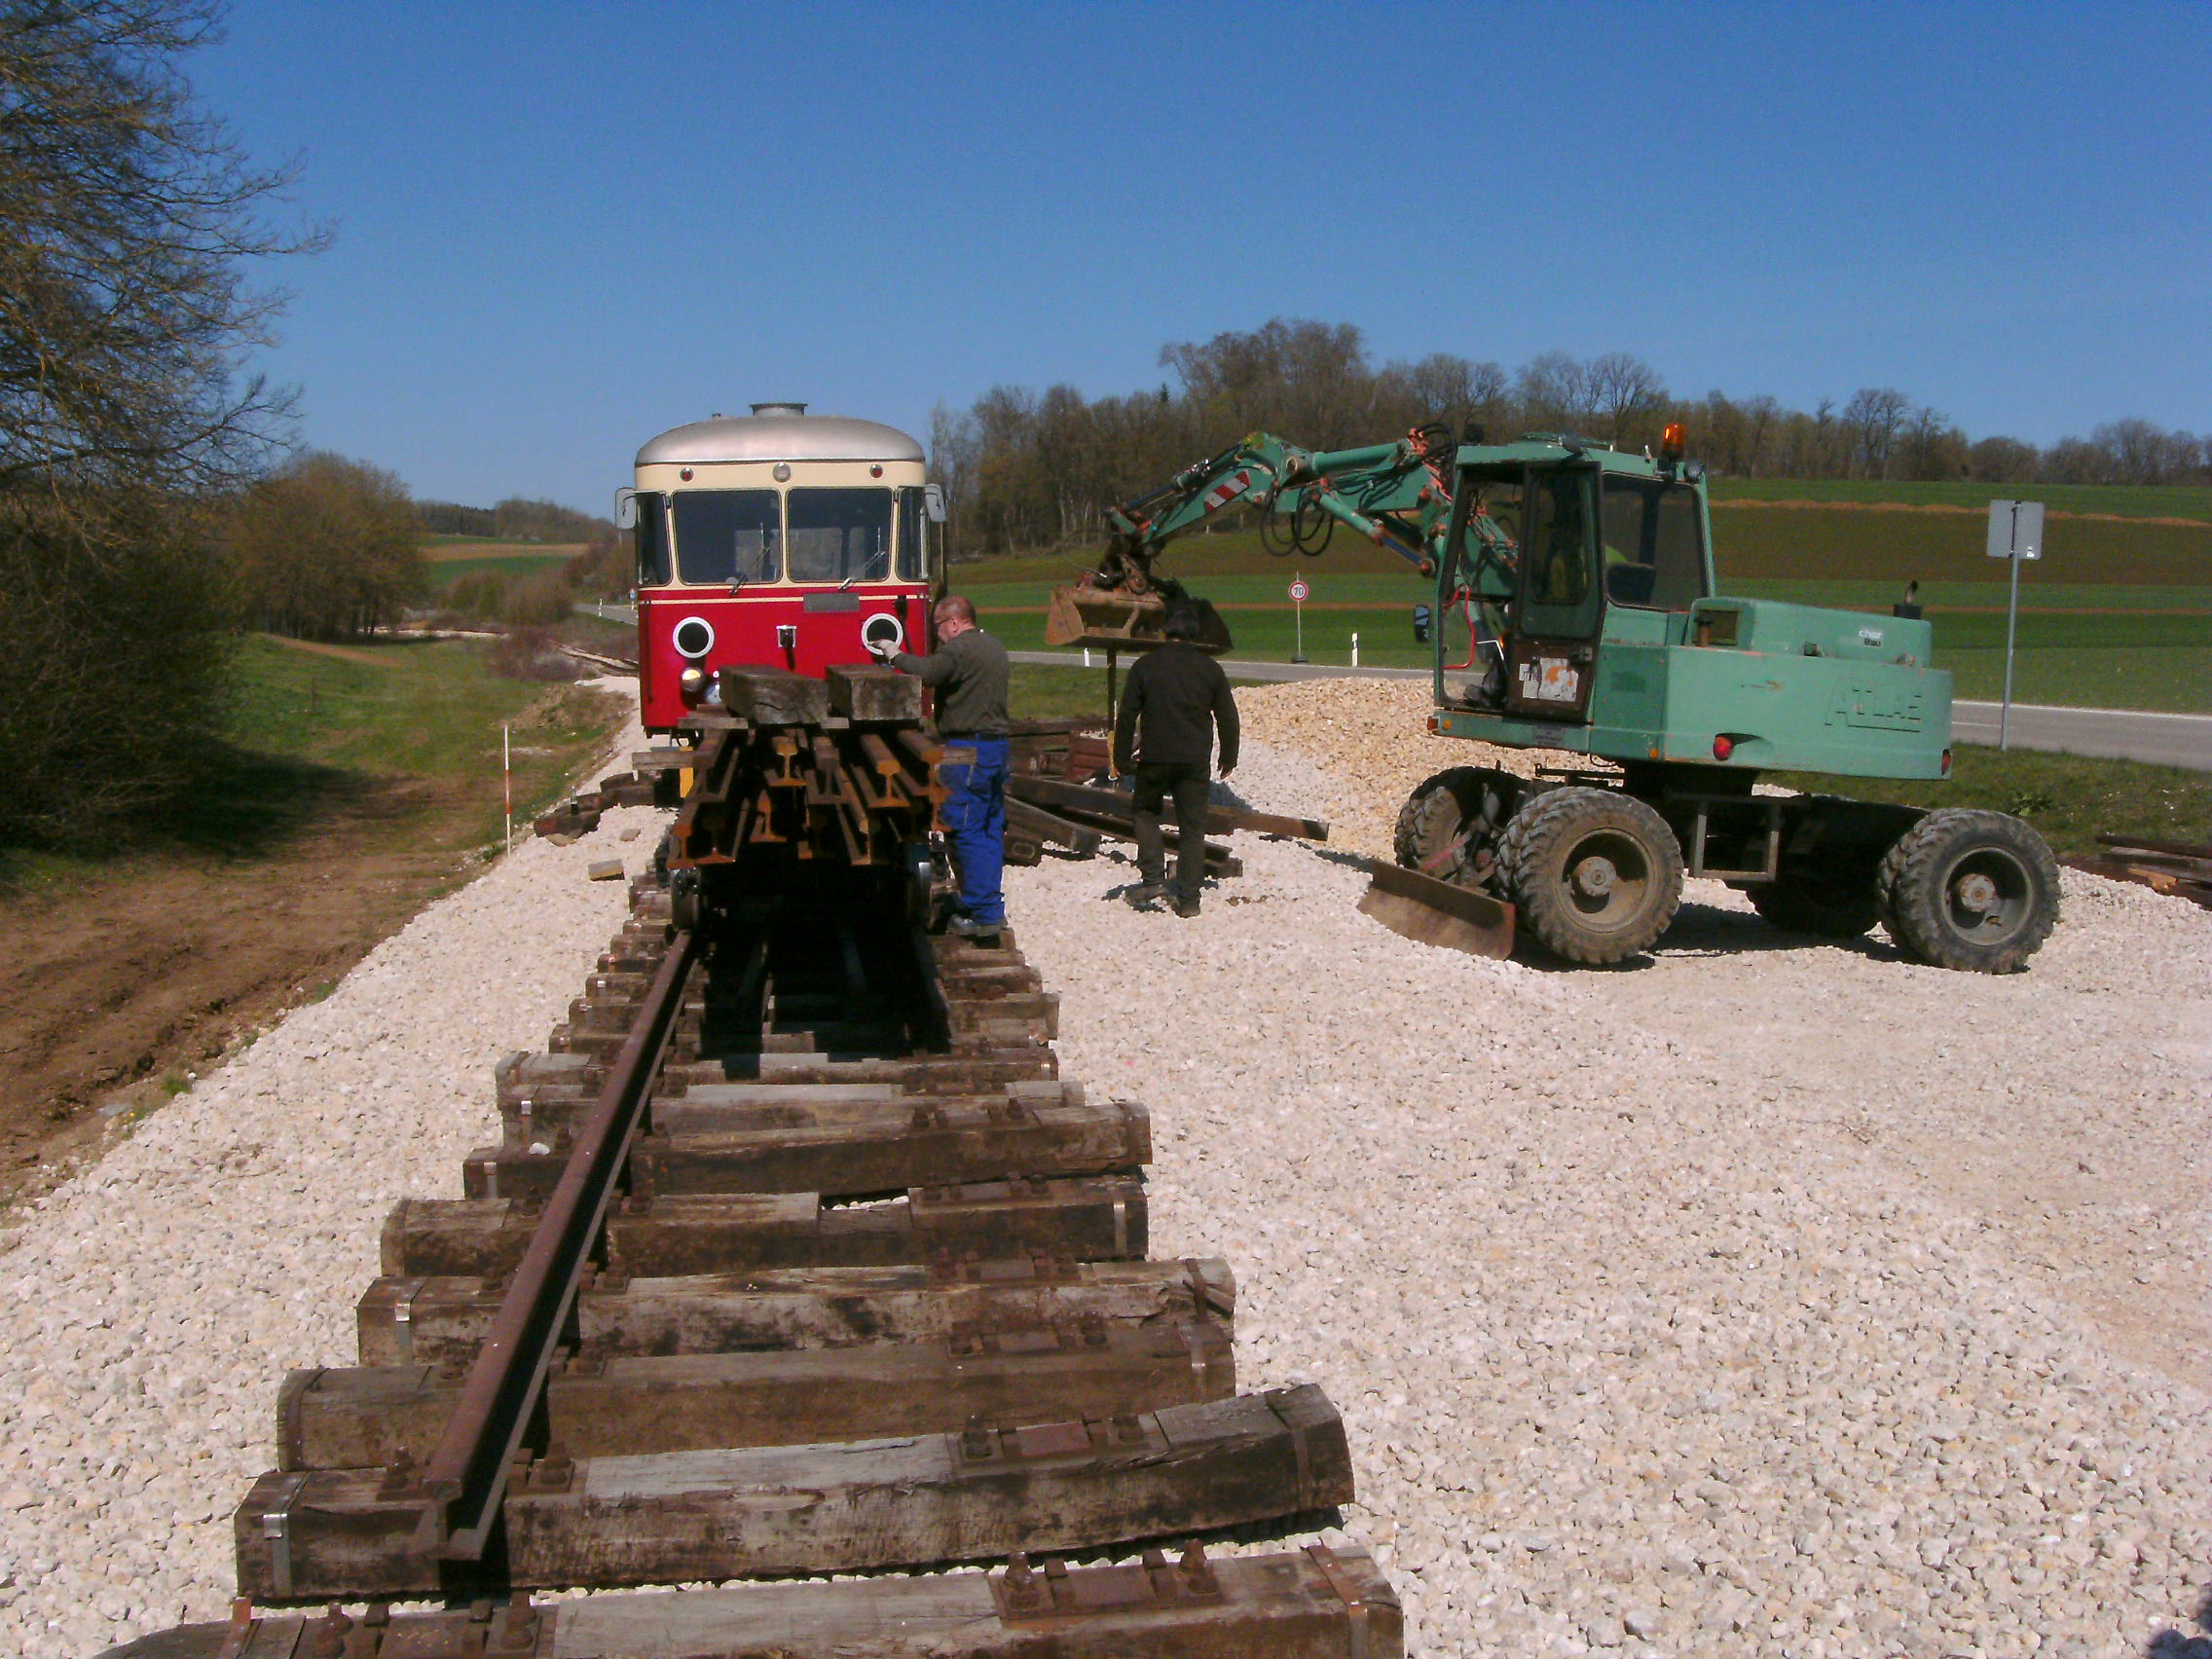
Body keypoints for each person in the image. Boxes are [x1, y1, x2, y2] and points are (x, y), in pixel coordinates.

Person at [875, 595, 1011, 941]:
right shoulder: (993, 646)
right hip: (996, 747)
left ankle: (982, 915)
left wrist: (895, 654)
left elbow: (930, 672)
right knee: (989, 831)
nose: (938, 637)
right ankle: (990, 909)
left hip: (965, 750)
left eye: (937, 628)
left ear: (953, 622)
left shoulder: (961, 649)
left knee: (964, 828)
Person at [1113, 605, 1239, 917]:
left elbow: (1127, 715)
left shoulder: (1145, 666)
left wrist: (1121, 757)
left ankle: (1153, 879)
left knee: (1145, 812)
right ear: (1194, 634)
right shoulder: (1210, 669)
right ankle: (1189, 900)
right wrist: (1228, 755)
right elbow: (1227, 716)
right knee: (1193, 828)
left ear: (1164, 632)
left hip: (1155, 757)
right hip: (1194, 760)